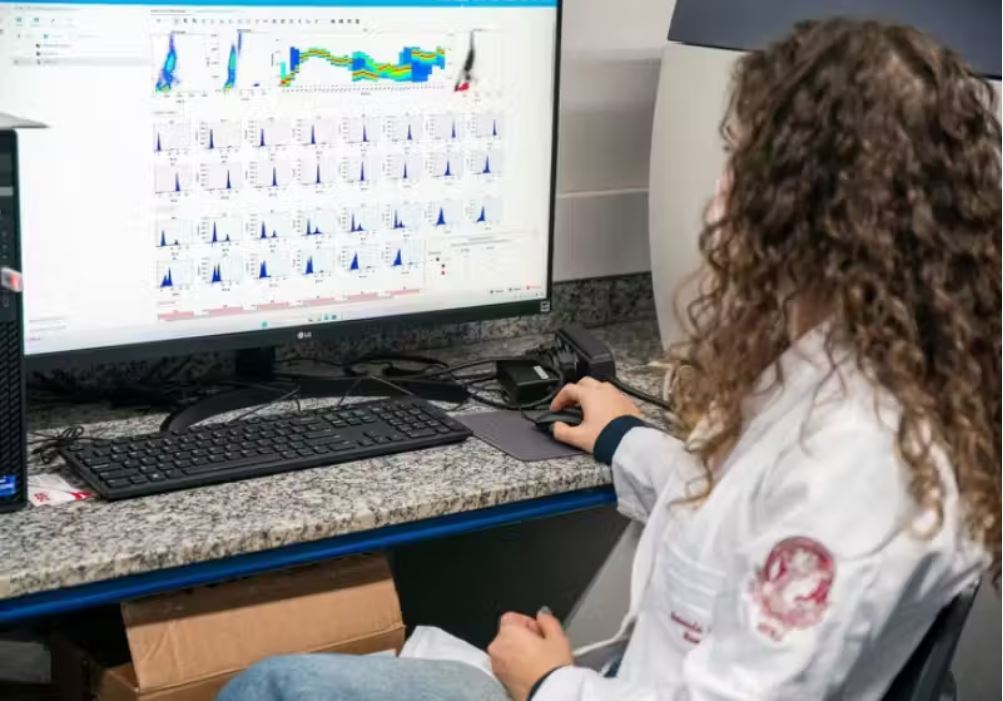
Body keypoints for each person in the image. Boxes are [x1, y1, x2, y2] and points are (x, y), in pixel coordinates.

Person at [217, 17, 1000, 701]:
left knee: (275, 685)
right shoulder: (860, 372)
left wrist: (548, 682)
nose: (721, 189)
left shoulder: (857, 461)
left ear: (809, 210)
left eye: (740, 158)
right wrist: (623, 437)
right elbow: (746, 515)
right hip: (621, 681)